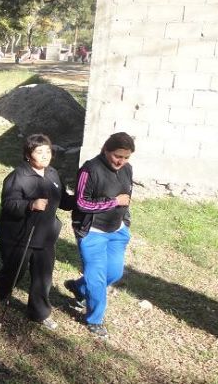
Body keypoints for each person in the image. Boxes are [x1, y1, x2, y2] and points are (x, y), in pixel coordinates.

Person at [0, 134, 75, 330]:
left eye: (48, 151)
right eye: (39, 152)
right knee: (13, 273)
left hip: (46, 236)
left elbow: (63, 200)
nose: (45, 155)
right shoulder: (18, 176)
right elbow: (8, 204)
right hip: (21, 236)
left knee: (43, 276)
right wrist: (30, 204)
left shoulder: (53, 174)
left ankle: (39, 312)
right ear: (28, 155)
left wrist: (81, 200)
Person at [65, 132, 135, 339]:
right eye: (117, 156)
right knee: (97, 278)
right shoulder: (90, 170)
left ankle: (79, 287)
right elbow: (81, 203)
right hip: (92, 232)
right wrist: (113, 202)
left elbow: (127, 197)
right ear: (106, 149)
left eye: (126, 157)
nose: (121, 161)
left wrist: (125, 222)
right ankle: (94, 319)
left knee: (114, 273)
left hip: (117, 231)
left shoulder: (127, 169)